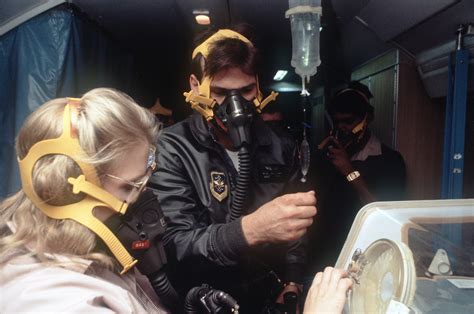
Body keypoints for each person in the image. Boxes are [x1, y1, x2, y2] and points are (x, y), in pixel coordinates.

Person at [148, 27, 317, 312]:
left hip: (265, 294)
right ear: (195, 86)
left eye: (246, 90)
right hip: (205, 298)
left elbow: (295, 225)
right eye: (221, 92)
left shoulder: (281, 145)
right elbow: (173, 243)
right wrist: (248, 230)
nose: (236, 106)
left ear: (258, 86)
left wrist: (293, 282)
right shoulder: (171, 148)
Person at [0, 88, 169, 312]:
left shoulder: (93, 252)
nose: (138, 199)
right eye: (129, 186)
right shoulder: (66, 304)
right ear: (66, 191)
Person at [306, 81, 407, 275]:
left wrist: (349, 171)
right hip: (323, 252)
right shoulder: (327, 156)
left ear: (366, 119)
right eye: (337, 122)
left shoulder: (390, 160)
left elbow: (385, 214)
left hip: (364, 252)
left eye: (348, 121)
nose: (341, 128)